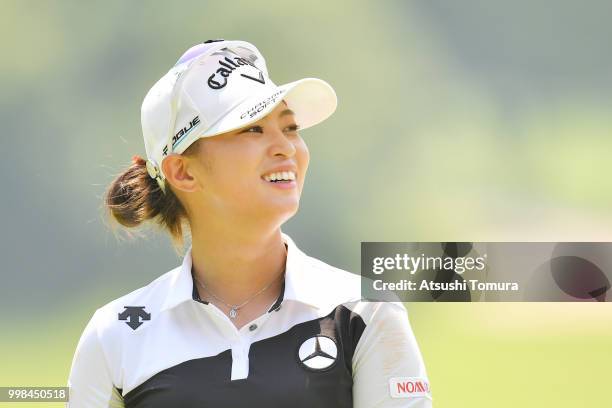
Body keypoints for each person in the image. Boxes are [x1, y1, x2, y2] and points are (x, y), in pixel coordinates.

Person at [66, 39, 432, 407]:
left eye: (290, 128)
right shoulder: (115, 335)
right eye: (252, 129)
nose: (286, 148)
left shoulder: (363, 312)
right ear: (182, 171)